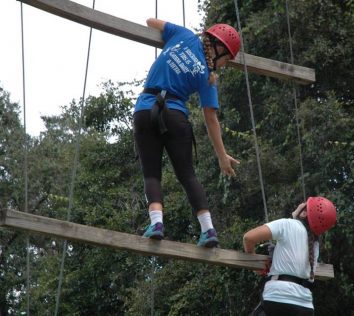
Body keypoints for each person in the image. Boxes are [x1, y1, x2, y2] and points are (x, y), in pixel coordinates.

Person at [134, 18, 241, 247]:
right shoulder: (209, 77)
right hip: (175, 114)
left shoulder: (184, 35)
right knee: (187, 175)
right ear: (219, 49)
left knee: (151, 174)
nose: (224, 64)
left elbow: (151, 21)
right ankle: (208, 229)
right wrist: (222, 156)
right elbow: (211, 118)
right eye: (227, 60)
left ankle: (156, 223)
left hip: (145, 109)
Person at [243, 196, 337, 316]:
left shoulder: (287, 225)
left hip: (277, 299)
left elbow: (248, 238)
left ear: (304, 213)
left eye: (304, 205)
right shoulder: (315, 244)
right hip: (305, 307)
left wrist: (254, 264)